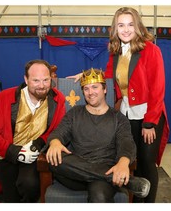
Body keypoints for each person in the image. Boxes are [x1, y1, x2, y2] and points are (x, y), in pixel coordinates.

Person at [67, 7, 170, 203]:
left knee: (148, 164)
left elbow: (158, 89)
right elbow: (107, 75)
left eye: (130, 24)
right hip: (127, 114)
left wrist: (149, 123)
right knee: (132, 161)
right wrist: (86, 75)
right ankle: (133, 200)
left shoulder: (151, 50)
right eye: (121, 25)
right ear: (115, 28)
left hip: (149, 115)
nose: (126, 29)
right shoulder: (115, 52)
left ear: (138, 26)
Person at [45, 68, 150, 203]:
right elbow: (59, 133)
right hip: (75, 174)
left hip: (103, 175)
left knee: (99, 194)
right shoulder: (75, 113)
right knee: (55, 157)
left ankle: (107, 176)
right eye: (86, 89)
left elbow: (126, 143)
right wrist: (55, 142)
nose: (90, 92)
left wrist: (123, 163)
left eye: (95, 87)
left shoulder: (118, 118)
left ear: (105, 89)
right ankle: (121, 180)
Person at [0, 59, 66, 203]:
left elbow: (57, 130)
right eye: (36, 80)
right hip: (6, 154)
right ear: (26, 80)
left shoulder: (58, 99)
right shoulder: (5, 98)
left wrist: (38, 144)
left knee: (30, 186)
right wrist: (16, 152)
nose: (42, 86)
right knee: (10, 198)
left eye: (46, 80)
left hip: (33, 154)